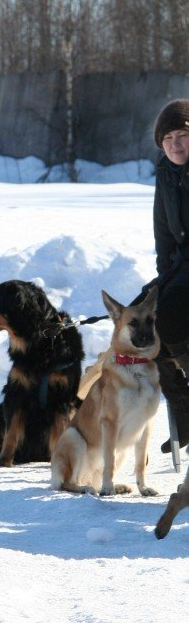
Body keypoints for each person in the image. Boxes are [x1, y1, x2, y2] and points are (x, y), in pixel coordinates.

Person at [148, 99, 189, 453]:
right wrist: (162, 285)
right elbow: (163, 237)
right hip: (180, 271)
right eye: (169, 138)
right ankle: (183, 411)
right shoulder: (165, 174)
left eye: (183, 135)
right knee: (139, 322)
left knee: (170, 321)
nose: (176, 144)